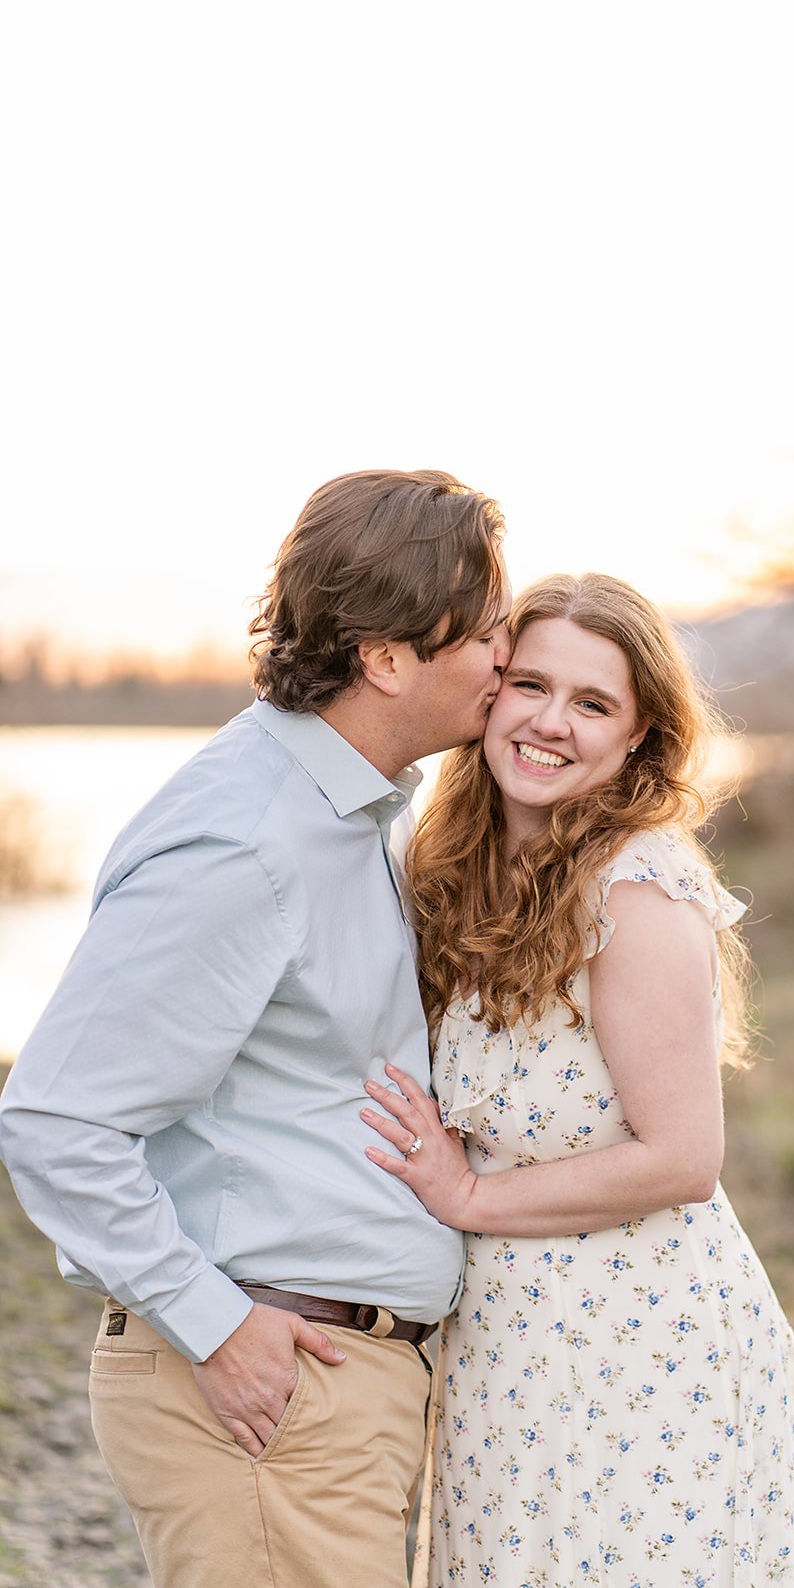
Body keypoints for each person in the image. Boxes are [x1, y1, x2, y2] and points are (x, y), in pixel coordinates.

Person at [0, 469, 512, 1588]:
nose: (505, 657)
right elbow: (54, 1118)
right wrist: (216, 1326)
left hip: (330, 1393)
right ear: (387, 657)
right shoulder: (247, 839)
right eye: (484, 631)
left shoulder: (349, 813)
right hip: (273, 1395)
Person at [362, 572, 794, 1586]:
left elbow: (682, 1158)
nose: (549, 723)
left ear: (637, 734)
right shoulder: (454, 865)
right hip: (508, 1353)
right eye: (531, 685)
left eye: (591, 703)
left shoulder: (634, 887)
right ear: (490, 693)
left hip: (646, 1353)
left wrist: (468, 1195)